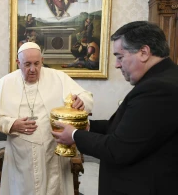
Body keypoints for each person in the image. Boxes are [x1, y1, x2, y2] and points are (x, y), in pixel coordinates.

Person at [52, 21, 178, 195]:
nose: (117, 65)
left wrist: (75, 135)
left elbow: (117, 149)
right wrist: (86, 126)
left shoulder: (158, 88)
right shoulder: (164, 78)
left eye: (120, 57)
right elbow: (128, 128)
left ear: (144, 52)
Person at [0, 42, 93, 195]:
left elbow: (85, 96)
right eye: (27, 64)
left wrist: (81, 101)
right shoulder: (5, 83)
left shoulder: (58, 77)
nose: (33, 69)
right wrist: (12, 124)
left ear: (42, 60)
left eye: (37, 64)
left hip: (52, 150)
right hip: (21, 154)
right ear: (18, 63)